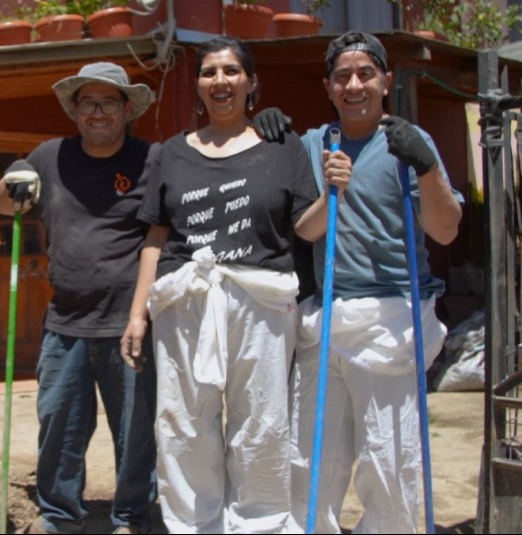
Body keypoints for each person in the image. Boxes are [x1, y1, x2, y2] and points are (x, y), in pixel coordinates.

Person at [120, 36, 350, 534]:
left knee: (262, 425)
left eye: (230, 72)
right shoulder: (170, 153)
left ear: (250, 83)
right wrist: (138, 314)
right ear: (198, 86)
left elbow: (306, 229)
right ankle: (192, 526)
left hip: (261, 303)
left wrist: (334, 194)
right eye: (208, 73)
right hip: (185, 303)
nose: (219, 81)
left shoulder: (282, 147)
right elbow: (155, 239)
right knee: (184, 424)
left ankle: (259, 524)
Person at [289, 32, 463, 534]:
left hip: (392, 317)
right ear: (327, 86)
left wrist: (426, 167)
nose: (354, 84)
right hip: (326, 316)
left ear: (385, 80)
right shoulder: (315, 144)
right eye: (342, 76)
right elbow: (304, 229)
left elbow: (446, 228)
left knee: (390, 458)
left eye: (366, 73)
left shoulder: (410, 142)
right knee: (313, 456)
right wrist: (332, 189)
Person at [0, 62, 160, 535]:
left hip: (129, 324)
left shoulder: (151, 159)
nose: (98, 112)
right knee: (59, 430)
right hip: (63, 324)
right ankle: (60, 517)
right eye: (88, 102)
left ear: (127, 109)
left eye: (109, 102)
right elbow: (7, 203)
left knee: (135, 434)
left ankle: (131, 518)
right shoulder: (50, 156)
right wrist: (13, 183)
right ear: (75, 110)